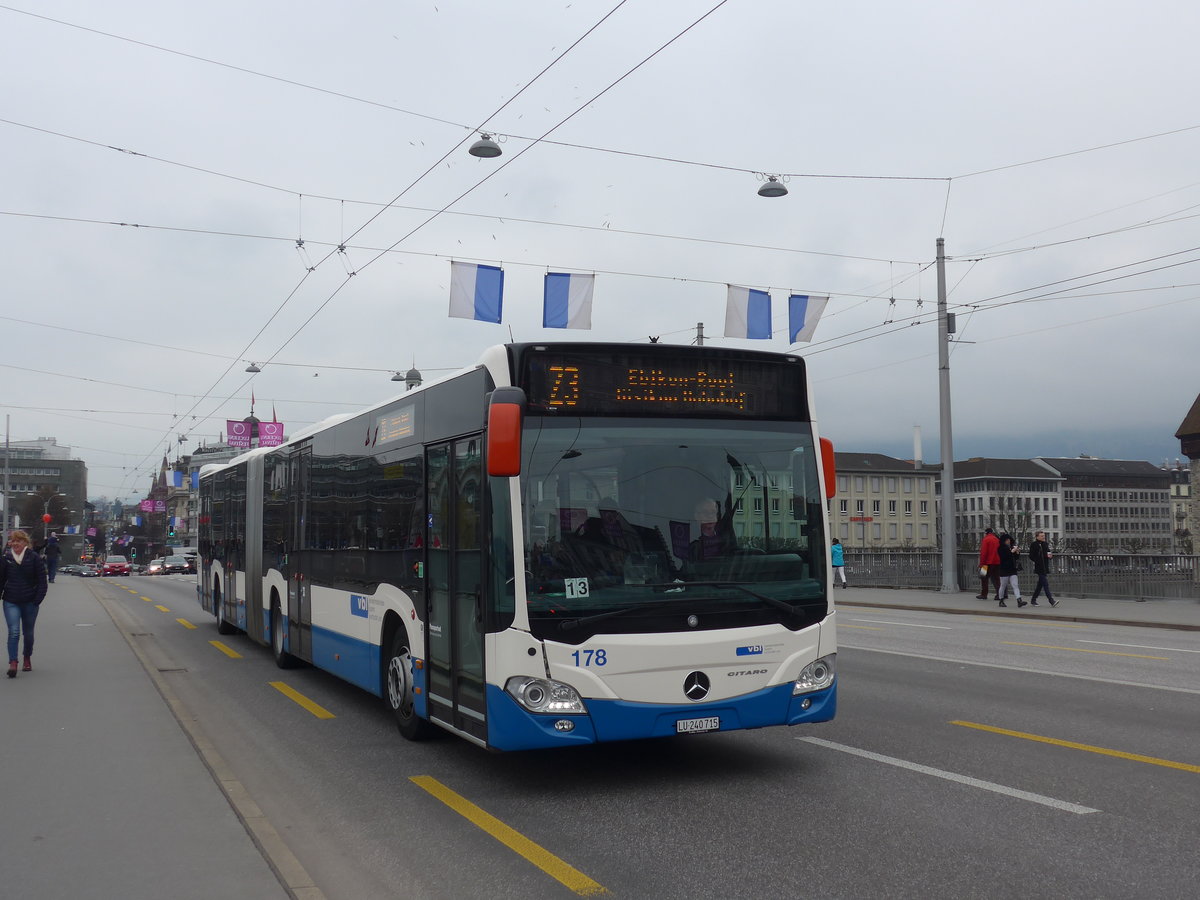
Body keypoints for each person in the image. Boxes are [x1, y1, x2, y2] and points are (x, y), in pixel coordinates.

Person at [2, 530, 49, 677]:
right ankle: (13, 663)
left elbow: (42, 581)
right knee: (14, 632)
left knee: (28, 634)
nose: (15, 543)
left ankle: (27, 657)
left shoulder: (33, 557)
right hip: (11, 600)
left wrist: (37, 600)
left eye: (18, 541)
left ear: (25, 543)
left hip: (30, 602)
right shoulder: (6, 558)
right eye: (13, 541)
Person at [1027, 531, 1058, 607]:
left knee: (1040, 585)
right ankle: (1051, 600)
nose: (1043, 537)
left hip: (1045, 566)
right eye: (1041, 536)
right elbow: (1031, 555)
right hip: (1039, 567)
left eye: (1043, 536)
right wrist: (1037, 560)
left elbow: (1048, 552)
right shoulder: (1034, 544)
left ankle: (1033, 599)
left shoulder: (1045, 544)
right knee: (1045, 584)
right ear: (1037, 537)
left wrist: (1050, 556)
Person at [996, 532, 1026, 608]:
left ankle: (1019, 600)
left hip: (1012, 569)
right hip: (1004, 569)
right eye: (1007, 540)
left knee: (1015, 585)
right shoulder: (1000, 548)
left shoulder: (1011, 547)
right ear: (1003, 541)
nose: (1008, 541)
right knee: (1003, 585)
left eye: (1009, 540)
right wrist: (1011, 552)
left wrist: (1017, 552)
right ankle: (1001, 600)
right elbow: (1004, 557)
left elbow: (1015, 558)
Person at [976, 527, 1001, 600]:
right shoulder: (997, 539)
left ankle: (984, 594)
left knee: (983, 578)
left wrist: (981, 564)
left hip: (986, 563)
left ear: (986, 533)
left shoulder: (986, 539)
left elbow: (983, 553)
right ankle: (999, 594)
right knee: (997, 579)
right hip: (997, 562)